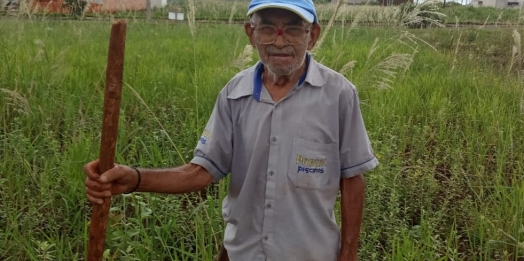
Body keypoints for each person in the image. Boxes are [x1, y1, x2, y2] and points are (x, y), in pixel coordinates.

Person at [83, 0, 379, 260]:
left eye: (291, 29)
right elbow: (201, 172)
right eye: (266, 29)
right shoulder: (234, 94)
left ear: (311, 36)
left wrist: (349, 254)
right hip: (243, 253)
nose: (279, 42)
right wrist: (134, 178)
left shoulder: (339, 94)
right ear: (251, 34)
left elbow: (352, 179)